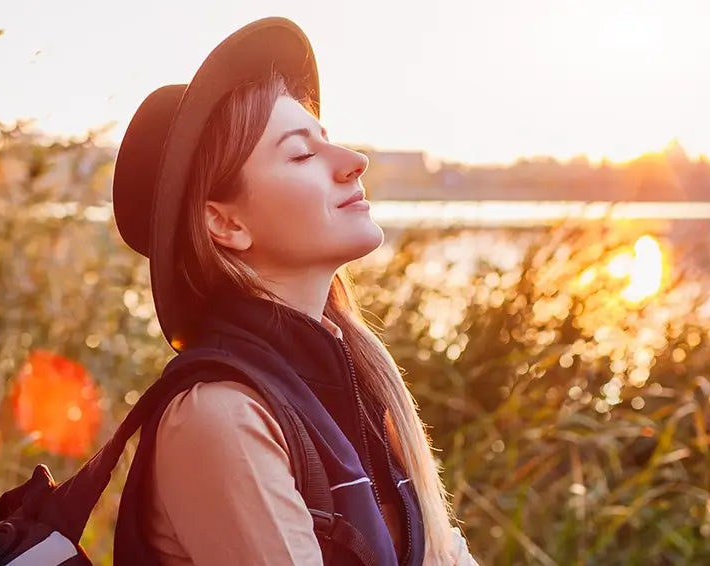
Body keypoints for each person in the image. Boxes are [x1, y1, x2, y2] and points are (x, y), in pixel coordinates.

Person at [109, 17, 476, 566]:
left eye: (327, 141)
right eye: (303, 154)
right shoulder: (222, 416)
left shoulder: (356, 382)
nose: (355, 163)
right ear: (225, 224)